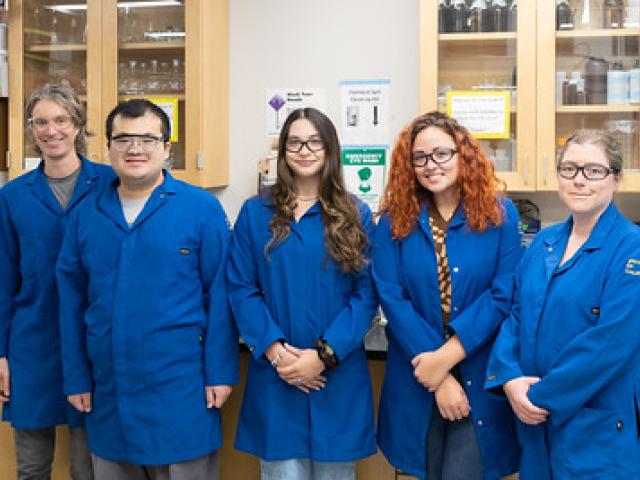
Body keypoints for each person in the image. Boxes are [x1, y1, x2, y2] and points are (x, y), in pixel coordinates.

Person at [56, 99, 238, 480]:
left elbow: (220, 296)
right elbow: (70, 301)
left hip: (180, 387)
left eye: (147, 139)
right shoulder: (85, 213)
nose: (134, 149)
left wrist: (220, 372)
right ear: (107, 146)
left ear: (167, 148)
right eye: (123, 138)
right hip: (109, 389)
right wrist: (76, 376)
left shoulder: (200, 209)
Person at [227, 107, 377, 480]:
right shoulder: (254, 213)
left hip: (336, 378)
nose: (304, 150)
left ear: (329, 149)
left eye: (314, 141)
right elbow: (241, 288)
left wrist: (324, 356)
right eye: (294, 142)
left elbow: (367, 294)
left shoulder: (355, 214)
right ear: (283, 152)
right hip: (277, 379)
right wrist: (279, 355)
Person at [373, 111, 522, 480]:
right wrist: (437, 375)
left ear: (462, 155)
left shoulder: (500, 213)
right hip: (416, 376)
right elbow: (392, 298)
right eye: (420, 157)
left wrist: (447, 358)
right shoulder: (394, 219)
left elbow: (503, 295)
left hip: (479, 374)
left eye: (441, 153)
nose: (431, 165)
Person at [486, 129, 640, 480]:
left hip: (593, 427)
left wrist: (539, 396)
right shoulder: (545, 242)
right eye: (569, 168)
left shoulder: (631, 248)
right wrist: (509, 379)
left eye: (594, 171)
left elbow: (611, 343)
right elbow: (516, 316)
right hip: (535, 427)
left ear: (615, 179)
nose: (579, 180)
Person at [0, 83, 114, 480]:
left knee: (90, 467)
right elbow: (3, 280)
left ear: (78, 125)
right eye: (41, 122)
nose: (52, 131)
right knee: (31, 468)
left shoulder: (110, 185)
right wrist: (0, 353)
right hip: (32, 344)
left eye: (61, 120)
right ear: (31, 129)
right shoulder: (13, 196)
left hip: (92, 341)